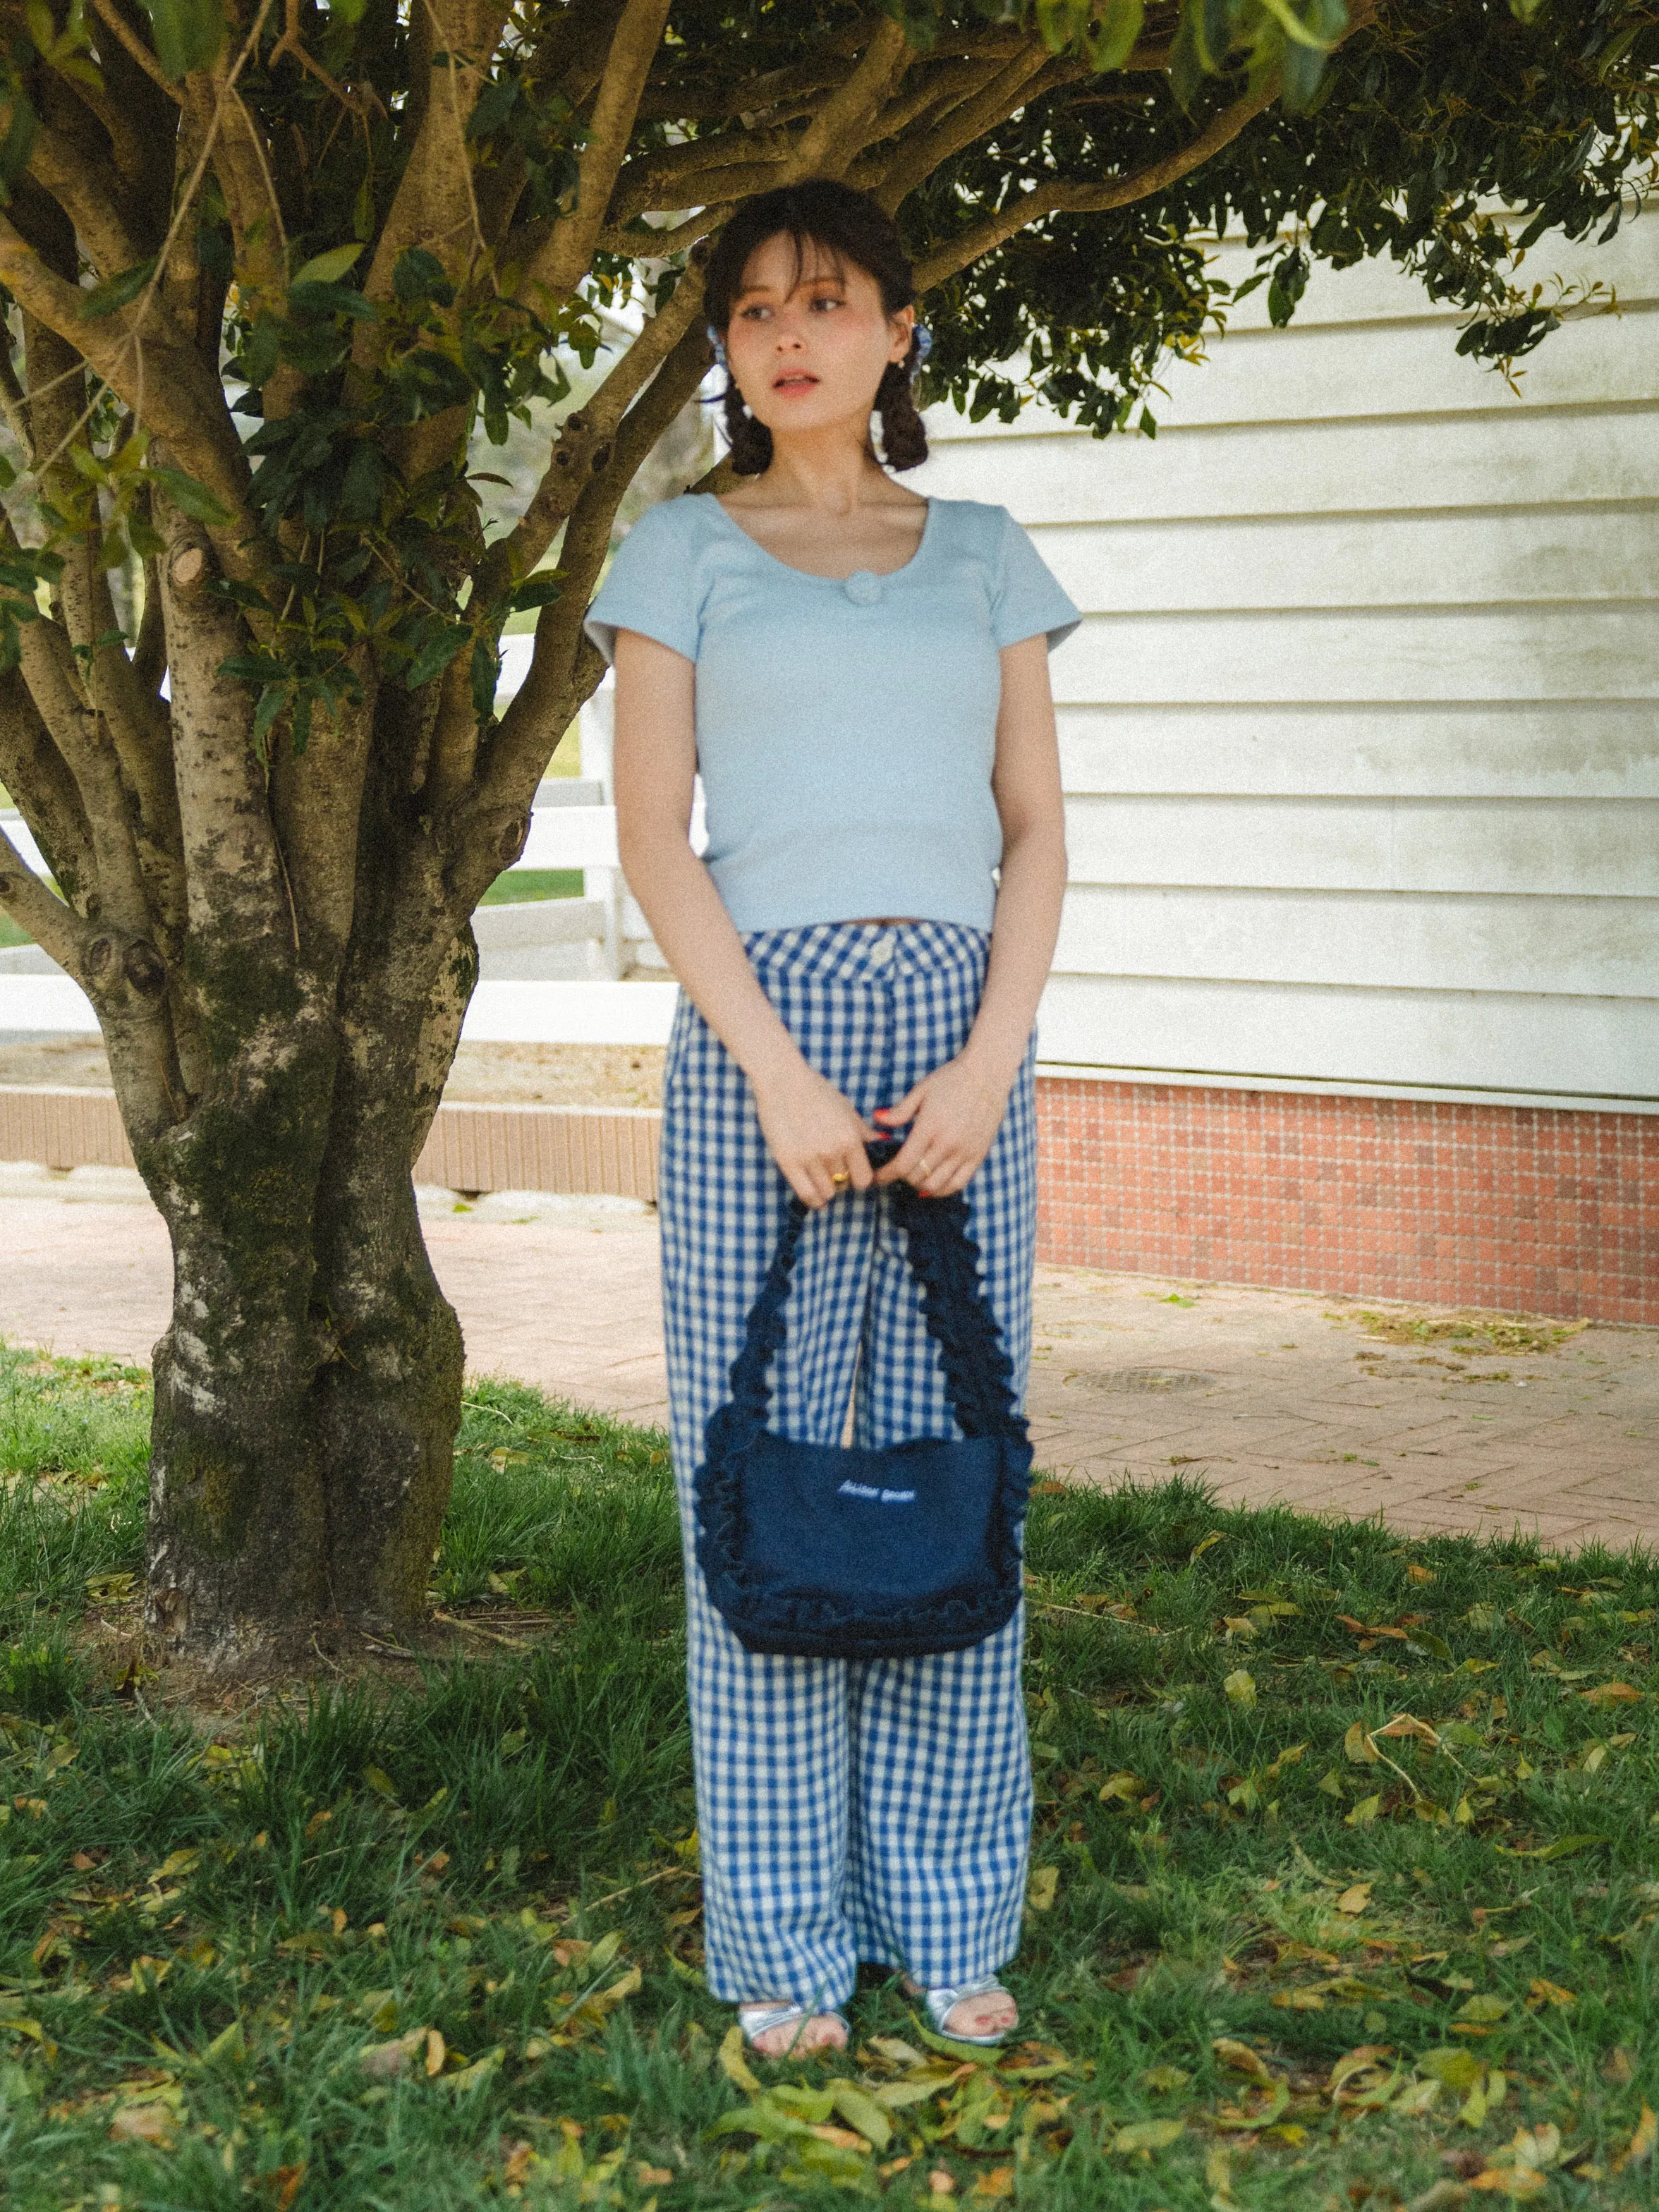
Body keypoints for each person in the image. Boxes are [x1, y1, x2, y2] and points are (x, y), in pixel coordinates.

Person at [584, 177, 1080, 2060]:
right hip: (755, 1041)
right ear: (728, 348)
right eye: (755, 309)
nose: (789, 333)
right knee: (766, 1474)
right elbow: (650, 839)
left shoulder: (985, 556)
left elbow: (1034, 833)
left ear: (895, 331)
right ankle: (788, 1944)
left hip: (964, 1040)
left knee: (956, 1457)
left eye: (830, 299)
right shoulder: (677, 559)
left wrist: (990, 1062)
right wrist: (778, 1068)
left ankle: (952, 1922)